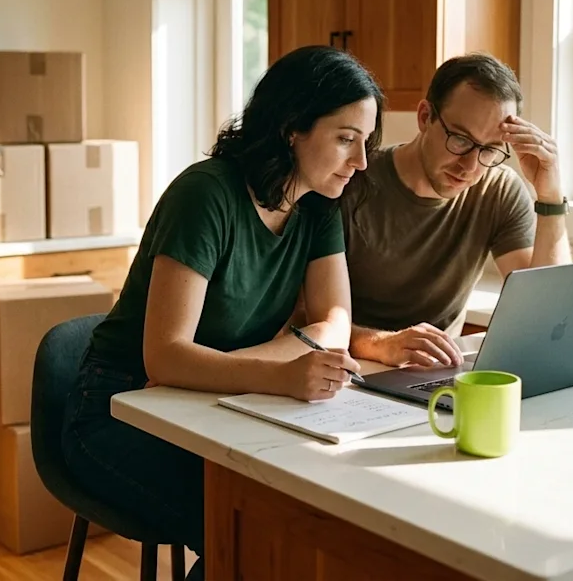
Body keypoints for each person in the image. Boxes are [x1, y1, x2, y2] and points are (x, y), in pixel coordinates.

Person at [50, 45, 383, 580]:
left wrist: (255, 368)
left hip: (216, 399)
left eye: (366, 142)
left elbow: (332, 324)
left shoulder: (319, 204)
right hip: (116, 409)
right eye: (346, 139)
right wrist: (277, 373)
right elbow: (165, 360)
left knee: (306, 517)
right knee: (257, 526)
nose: (361, 161)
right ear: (291, 128)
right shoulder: (206, 195)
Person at [342, 52, 573, 368]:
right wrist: (379, 344)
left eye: (490, 149)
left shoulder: (497, 189)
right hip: (350, 371)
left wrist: (550, 196)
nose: (470, 166)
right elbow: (299, 316)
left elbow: (547, 313)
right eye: (461, 140)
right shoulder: (352, 184)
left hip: (437, 375)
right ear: (425, 117)